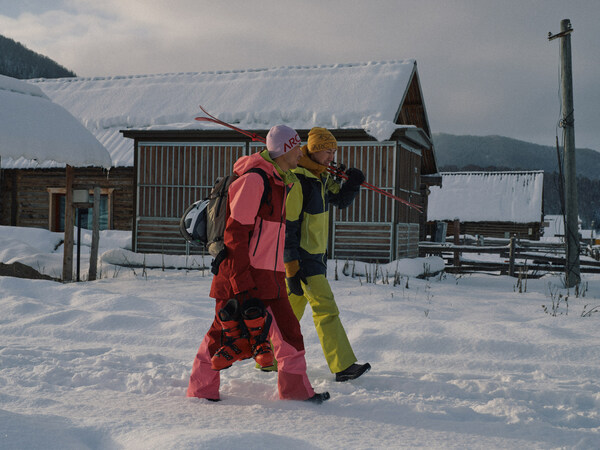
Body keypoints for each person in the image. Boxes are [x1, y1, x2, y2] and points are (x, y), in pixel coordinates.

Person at [186, 124, 330, 403]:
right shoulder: (254, 181)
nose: (301, 153)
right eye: (297, 147)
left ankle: (296, 392)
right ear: (285, 149)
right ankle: (201, 390)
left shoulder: (280, 181)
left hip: (271, 276)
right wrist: (240, 281)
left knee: (289, 333)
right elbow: (235, 234)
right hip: (241, 275)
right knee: (222, 336)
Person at [284, 127, 371, 382]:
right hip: (302, 257)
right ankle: (342, 365)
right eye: (327, 151)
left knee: (287, 314)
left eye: (334, 151)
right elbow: (288, 227)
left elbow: (340, 200)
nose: (332, 157)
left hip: (317, 255)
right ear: (313, 148)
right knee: (326, 309)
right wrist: (291, 267)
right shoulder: (298, 178)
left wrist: (353, 183)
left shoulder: (320, 176)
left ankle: (266, 358)